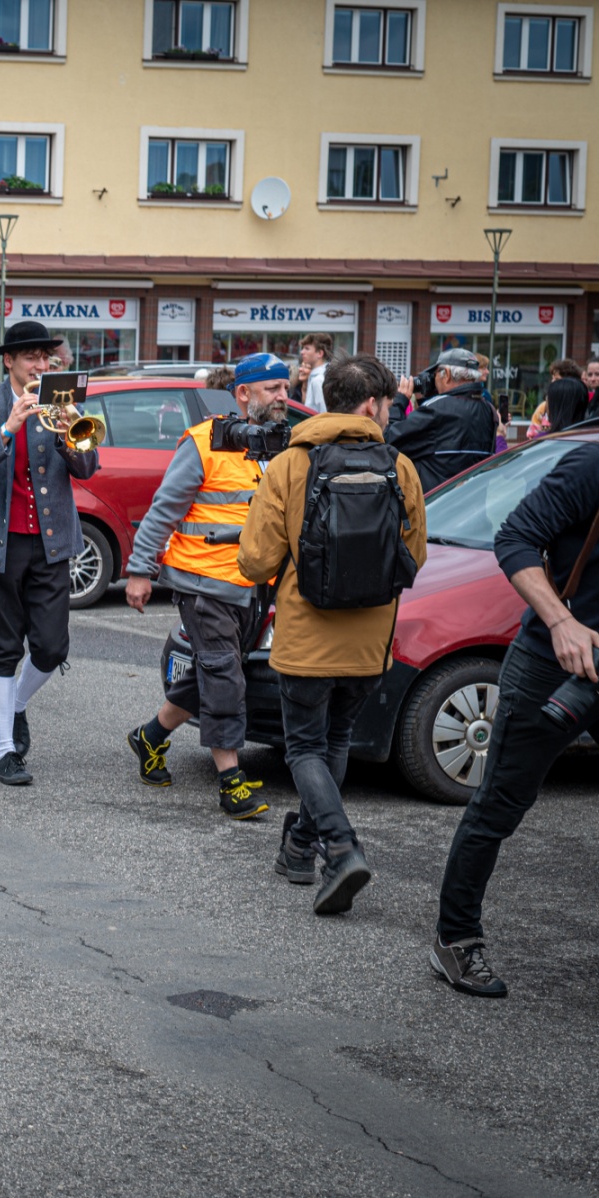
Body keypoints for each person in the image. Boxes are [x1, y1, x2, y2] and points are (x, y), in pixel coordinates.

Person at [237, 355, 427, 915]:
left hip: (306, 637)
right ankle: (300, 846)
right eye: (388, 404)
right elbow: (413, 557)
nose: (389, 413)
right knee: (336, 741)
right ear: (371, 405)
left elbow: (255, 562)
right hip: (369, 642)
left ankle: (340, 849)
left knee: (304, 748)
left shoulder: (290, 464)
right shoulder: (400, 467)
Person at [432, 439, 599, 997]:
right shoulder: (591, 464)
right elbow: (516, 538)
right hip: (553, 662)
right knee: (499, 804)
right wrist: (560, 622)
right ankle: (455, 940)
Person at [123, 352, 290, 819]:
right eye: (273, 389)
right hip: (204, 582)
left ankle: (150, 737)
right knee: (223, 676)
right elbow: (164, 510)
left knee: (214, 671)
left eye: (286, 387)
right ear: (243, 393)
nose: (283, 396)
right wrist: (139, 571)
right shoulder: (202, 443)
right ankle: (230, 781)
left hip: (256, 586)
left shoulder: (281, 446)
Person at [0, 319, 101, 786]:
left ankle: (16, 704)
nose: (41, 365)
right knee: (3, 648)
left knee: (52, 647)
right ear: (10, 361)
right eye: (32, 357)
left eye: (46, 358)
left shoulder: (65, 404)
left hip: (51, 543)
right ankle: (5, 752)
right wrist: (8, 427)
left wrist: (67, 431)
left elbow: (88, 467)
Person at [385, 347, 501, 493]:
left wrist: (400, 401)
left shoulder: (437, 410)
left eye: (436, 375)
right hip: (473, 501)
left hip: (436, 502)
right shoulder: (488, 410)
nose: (434, 380)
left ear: (446, 374)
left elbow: (389, 440)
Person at [297, 332, 332, 409]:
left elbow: (323, 411)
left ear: (320, 353)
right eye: (303, 348)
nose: (302, 352)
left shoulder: (318, 380)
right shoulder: (324, 374)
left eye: (307, 349)